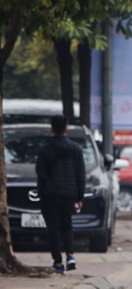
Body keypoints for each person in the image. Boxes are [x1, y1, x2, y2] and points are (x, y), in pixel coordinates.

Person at [35, 115, 86, 273]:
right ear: (66, 129)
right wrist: (80, 196)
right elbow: (80, 174)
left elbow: (41, 173)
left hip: (50, 195)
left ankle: (58, 262)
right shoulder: (75, 149)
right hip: (69, 194)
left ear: (51, 129)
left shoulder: (45, 149)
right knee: (67, 224)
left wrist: (41, 192)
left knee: (53, 229)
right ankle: (70, 255)